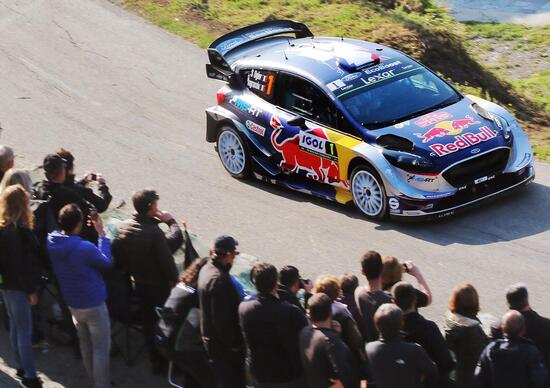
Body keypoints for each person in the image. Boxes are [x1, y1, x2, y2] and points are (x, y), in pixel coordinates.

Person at [111, 189, 183, 374]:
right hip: (159, 287)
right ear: (151, 207)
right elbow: (167, 261)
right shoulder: (153, 232)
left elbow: (118, 256)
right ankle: (171, 364)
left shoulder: (124, 227)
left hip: (139, 285)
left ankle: (156, 363)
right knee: (167, 326)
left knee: (149, 324)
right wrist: (170, 221)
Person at [47, 204, 112, 388]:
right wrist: (102, 235)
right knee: (100, 348)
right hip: (93, 303)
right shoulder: (84, 247)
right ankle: (102, 385)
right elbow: (106, 262)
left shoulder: (52, 241)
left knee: (85, 344)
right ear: (78, 224)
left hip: (73, 302)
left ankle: (94, 380)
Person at [239, 262, 309, 388]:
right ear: (276, 282)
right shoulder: (291, 312)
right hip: (288, 375)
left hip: (261, 374)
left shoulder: (244, 309)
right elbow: (307, 337)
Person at [0, 185, 42, 388]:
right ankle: (30, 375)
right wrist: (31, 290)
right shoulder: (18, 233)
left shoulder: (3, 229)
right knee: (24, 330)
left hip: (6, 286)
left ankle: (19, 365)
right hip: (19, 288)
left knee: (15, 327)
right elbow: (21, 266)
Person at [156, 257, 215, 388]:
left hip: (162, 338)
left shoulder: (182, 285)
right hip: (178, 346)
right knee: (213, 380)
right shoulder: (199, 294)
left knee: (194, 370)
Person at [198, 235, 245, 388]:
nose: (234, 259)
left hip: (211, 341)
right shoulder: (221, 282)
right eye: (234, 255)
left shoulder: (206, 268)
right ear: (228, 255)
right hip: (224, 349)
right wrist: (236, 346)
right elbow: (223, 322)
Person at [392, 281, 455, 387]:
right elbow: (447, 363)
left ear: (393, 302)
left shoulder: (390, 330)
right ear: (415, 300)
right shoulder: (429, 328)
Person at [365, 303, 438, 388]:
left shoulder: (369, 349)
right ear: (401, 324)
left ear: (376, 324)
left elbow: (366, 379)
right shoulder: (414, 350)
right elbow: (433, 373)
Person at [474, 310, 549, 388]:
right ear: (523, 330)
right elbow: (540, 381)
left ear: (503, 329)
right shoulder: (531, 352)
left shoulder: (490, 349)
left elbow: (478, 379)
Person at [299, 293, 360, 388]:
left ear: (309, 314)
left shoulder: (304, 333)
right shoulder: (331, 341)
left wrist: (334, 334)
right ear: (330, 312)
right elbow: (346, 372)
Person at [56, 148, 112, 244]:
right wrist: (102, 185)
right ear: (69, 169)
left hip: (61, 231)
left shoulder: (51, 188)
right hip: (84, 237)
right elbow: (102, 205)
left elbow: (69, 187)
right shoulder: (80, 191)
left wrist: (83, 182)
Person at [314, 275, 366, 377]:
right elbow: (357, 340)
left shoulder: (315, 312)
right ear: (336, 292)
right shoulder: (343, 312)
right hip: (347, 358)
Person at [445, 284, 488, 388]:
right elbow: (483, 355)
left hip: (452, 376)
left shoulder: (449, 321)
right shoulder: (473, 330)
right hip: (468, 379)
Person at [506, 283, 550, 369]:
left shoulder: (501, 327)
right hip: (540, 376)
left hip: (510, 376)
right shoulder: (546, 325)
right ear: (527, 300)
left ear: (508, 303)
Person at [354, 250, 392, 342]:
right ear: (382, 269)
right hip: (383, 344)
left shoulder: (358, 292)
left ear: (362, 272)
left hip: (367, 342)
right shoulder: (388, 299)